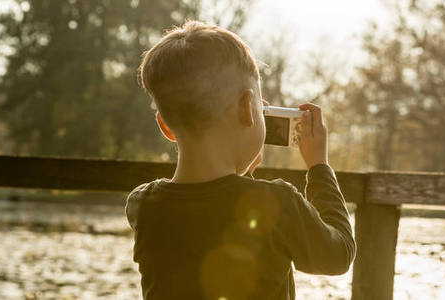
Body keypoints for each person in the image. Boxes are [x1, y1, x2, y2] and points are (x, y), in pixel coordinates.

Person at [126, 20, 355, 299]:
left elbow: (210, 214)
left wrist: (243, 171)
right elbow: (338, 254)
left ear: (165, 126)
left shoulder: (142, 206)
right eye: (260, 107)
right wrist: (319, 166)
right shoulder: (278, 203)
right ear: (248, 108)